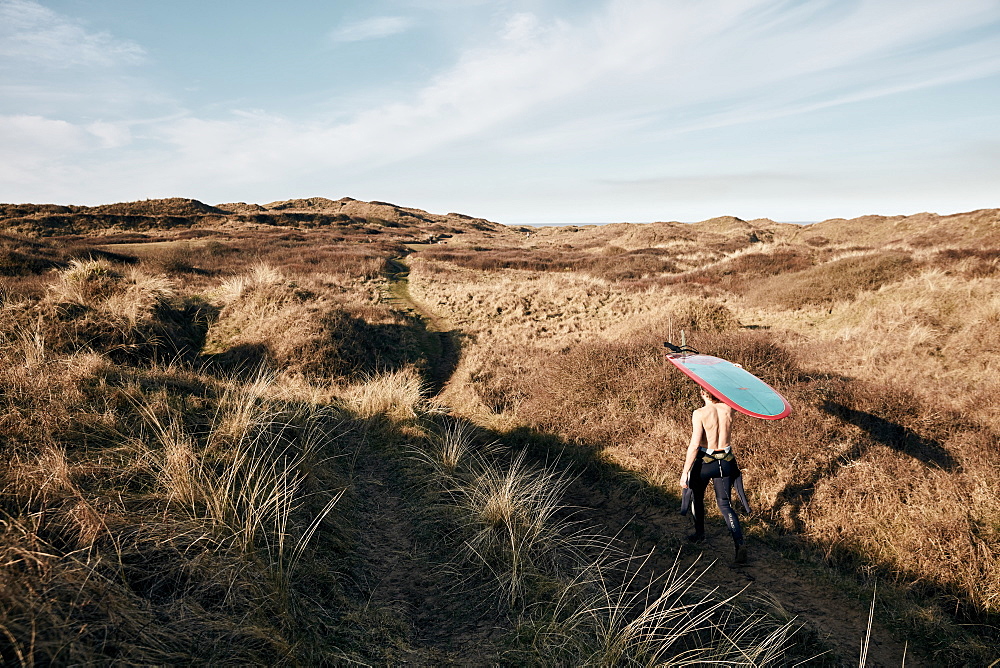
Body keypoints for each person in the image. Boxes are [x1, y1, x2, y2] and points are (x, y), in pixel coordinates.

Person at [679, 387, 750, 563]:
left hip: (705, 462)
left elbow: (695, 445)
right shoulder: (729, 408)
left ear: (703, 393)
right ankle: (739, 543)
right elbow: (740, 393)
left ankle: (699, 534)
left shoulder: (699, 413)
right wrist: (734, 374)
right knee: (725, 505)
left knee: (697, 497)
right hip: (726, 462)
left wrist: (685, 471)